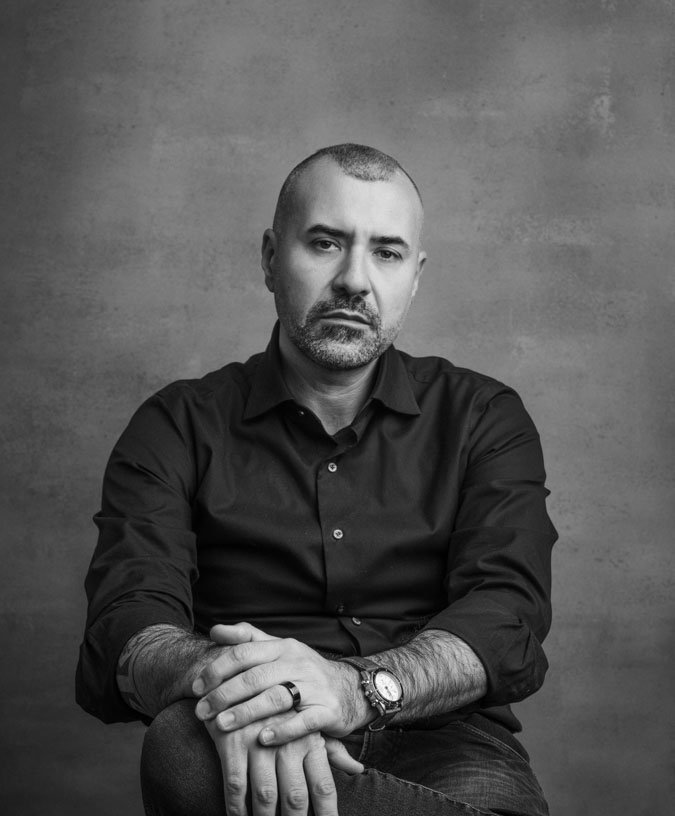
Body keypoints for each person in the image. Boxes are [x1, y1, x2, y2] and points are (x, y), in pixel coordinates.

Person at [76, 143, 557, 816]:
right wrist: (246, 687)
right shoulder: (175, 425)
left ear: (414, 277)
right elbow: (127, 629)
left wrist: (353, 689)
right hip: (241, 730)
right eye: (325, 243)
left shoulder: (484, 417)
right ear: (271, 258)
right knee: (182, 746)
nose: (354, 280)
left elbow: (507, 617)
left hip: (446, 744)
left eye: (386, 253)